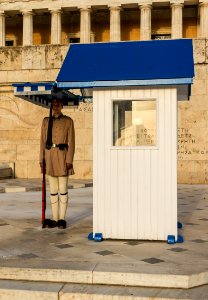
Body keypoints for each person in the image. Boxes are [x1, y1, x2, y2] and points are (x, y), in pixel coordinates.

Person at [39, 97, 75, 229]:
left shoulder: (68, 121)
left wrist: (69, 160)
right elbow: (42, 142)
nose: (55, 106)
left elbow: (72, 142)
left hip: (62, 156)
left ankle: (62, 219)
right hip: (49, 157)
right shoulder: (45, 121)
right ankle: (54, 218)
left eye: (58, 104)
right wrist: (41, 159)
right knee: (53, 190)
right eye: (54, 104)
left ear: (62, 106)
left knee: (63, 189)